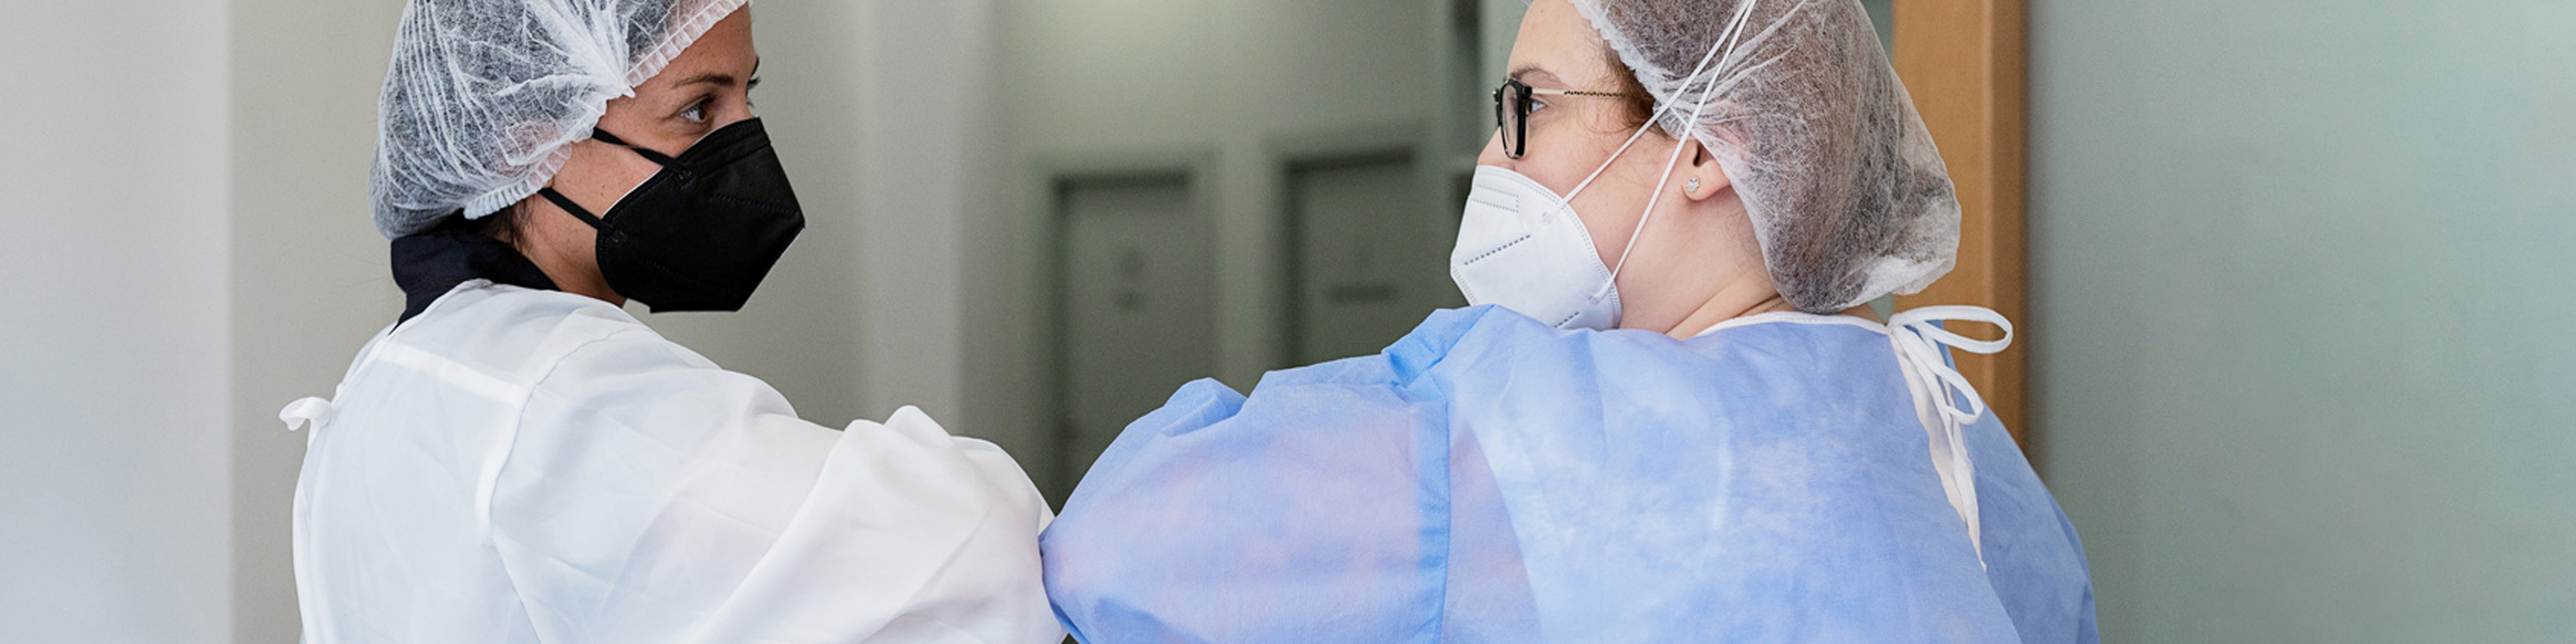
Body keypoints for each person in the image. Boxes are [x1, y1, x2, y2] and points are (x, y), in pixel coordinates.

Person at [1039, 0, 2096, 642]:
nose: (1496, 160)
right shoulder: (1967, 452)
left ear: (1703, 150)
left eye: (1529, 106)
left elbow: (1116, 552)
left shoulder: (1540, 429)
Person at [276, 2, 1062, 642]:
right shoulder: (559, 396)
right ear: (528, 138)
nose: (744, 143)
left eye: (748, 95)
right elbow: (964, 557)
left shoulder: (392, 372)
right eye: (696, 109)